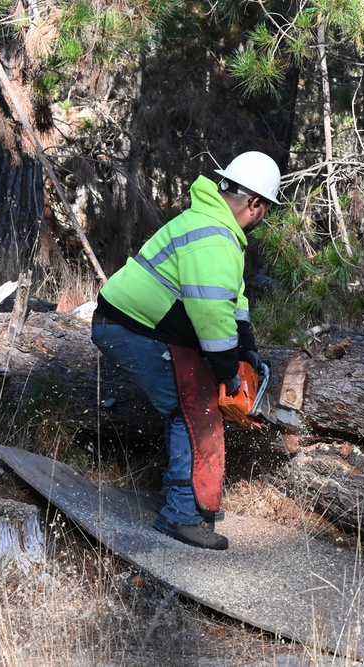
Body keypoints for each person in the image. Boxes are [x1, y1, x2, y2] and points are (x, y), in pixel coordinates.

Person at [90, 151, 281, 551]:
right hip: (129, 328)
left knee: (193, 403)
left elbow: (231, 299)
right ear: (255, 204)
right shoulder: (213, 236)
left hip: (140, 324)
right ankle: (181, 513)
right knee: (193, 409)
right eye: (265, 209)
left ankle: (189, 498)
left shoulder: (215, 226)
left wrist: (246, 347)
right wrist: (228, 368)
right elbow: (210, 313)